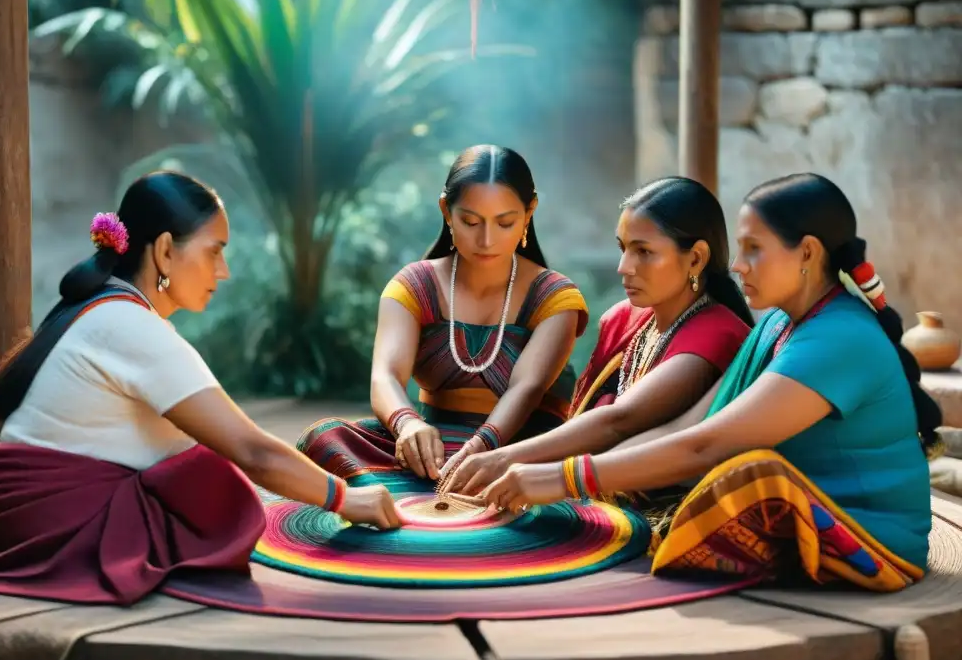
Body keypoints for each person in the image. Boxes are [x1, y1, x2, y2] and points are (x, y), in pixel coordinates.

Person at [0, 171, 400, 606]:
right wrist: (348, 497)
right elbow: (253, 451)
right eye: (214, 251)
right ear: (164, 251)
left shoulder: (98, 310)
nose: (224, 271)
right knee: (210, 473)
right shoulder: (129, 325)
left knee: (197, 464)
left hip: (18, 522)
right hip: (56, 533)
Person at [482, 173, 940, 592]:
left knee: (757, 478)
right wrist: (579, 484)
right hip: (818, 510)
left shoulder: (840, 338)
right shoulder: (780, 323)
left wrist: (563, 479)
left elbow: (707, 446)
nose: (738, 265)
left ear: (806, 252)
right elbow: (687, 427)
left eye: (753, 249)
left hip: (872, 538)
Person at [443, 177, 753, 507]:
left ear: (695, 259)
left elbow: (618, 421)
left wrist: (503, 459)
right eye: (623, 248)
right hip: (589, 497)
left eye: (644, 252)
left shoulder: (718, 335)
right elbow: (585, 421)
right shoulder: (623, 319)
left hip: (662, 518)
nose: (624, 267)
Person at [297, 145, 589, 485]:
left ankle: (416, 493)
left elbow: (527, 388)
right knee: (325, 437)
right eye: (470, 221)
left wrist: (481, 449)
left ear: (529, 212)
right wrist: (408, 425)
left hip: (519, 450)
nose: (486, 239)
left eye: (505, 222)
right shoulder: (414, 285)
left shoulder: (554, 296)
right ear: (446, 211)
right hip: (432, 445)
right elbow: (385, 376)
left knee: (559, 474)